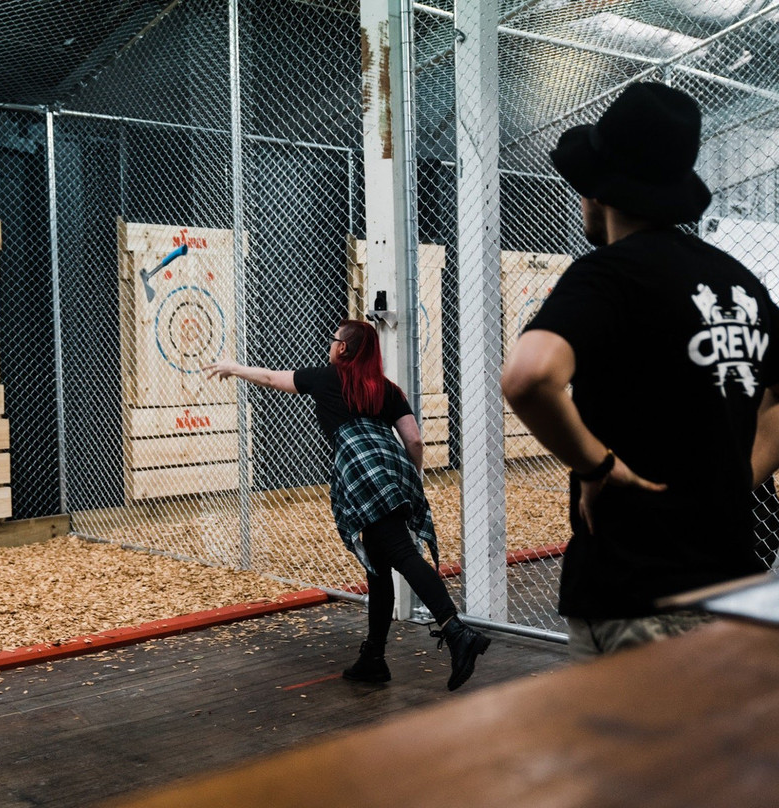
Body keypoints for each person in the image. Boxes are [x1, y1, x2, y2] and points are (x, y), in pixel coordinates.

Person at [501, 83, 779, 660]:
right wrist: (731, 481)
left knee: (626, 750)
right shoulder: (740, 282)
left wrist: (596, 465)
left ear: (599, 194)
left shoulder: (608, 275)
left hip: (634, 589)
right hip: (732, 583)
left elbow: (528, 376)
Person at [204, 319, 490, 691]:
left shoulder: (328, 378)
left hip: (360, 472)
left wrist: (233, 368)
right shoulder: (387, 390)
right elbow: (415, 441)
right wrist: (407, 480)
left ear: (343, 349)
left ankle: (455, 631)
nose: (330, 343)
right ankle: (373, 659)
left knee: (402, 555)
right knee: (378, 565)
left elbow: (274, 379)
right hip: (393, 468)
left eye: (333, 338)